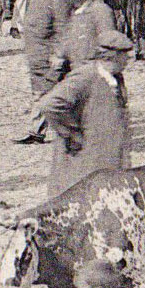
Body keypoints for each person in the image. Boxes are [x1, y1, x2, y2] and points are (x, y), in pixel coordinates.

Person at [41, 29, 133, 198]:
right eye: (124, 55)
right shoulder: (85, 77)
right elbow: (50, 104)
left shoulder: (115, 77)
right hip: (83, 161)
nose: (128, 60)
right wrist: (72, 132)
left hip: (106, 159)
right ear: (111, 56)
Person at [16, 0, 67, 143]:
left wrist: (58, 54)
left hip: (49, 57)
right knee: (43, 93)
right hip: (39, 57)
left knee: (50, 94)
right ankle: (36, 130)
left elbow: (62, 28)